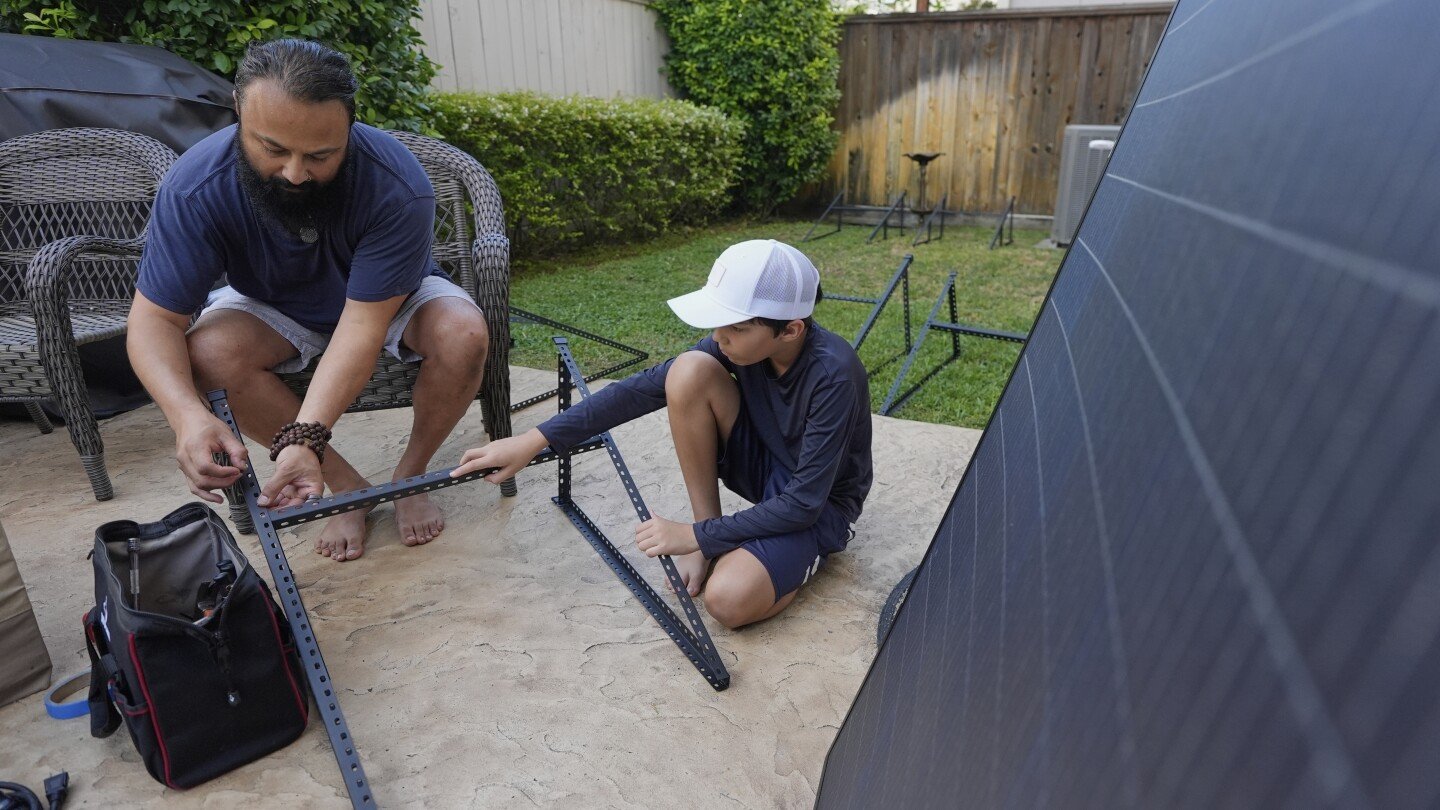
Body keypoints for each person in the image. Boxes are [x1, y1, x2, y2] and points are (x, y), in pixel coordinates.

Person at [127, 39, 489, 562]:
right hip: (271, 300)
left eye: (320, 155)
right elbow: (153, 319)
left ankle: (408, 477)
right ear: (237, 110)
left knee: (465, 333)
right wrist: (186, 415)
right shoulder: (194, 188)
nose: (296, 173)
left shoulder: (397, 183)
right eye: (272, 149)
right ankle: (347, 488)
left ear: (350, 129)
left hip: (388, 301)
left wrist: (305, 435)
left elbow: (361, 327)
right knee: (204, 354)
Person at [453, 240, 872, 629]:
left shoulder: (833, 375)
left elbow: (802, 503)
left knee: (727, 600)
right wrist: (534, 440)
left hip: (817, 505)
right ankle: (712, 536)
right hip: (767, 467)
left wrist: (690, 535)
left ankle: (783, 553)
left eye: (736, 329)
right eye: (717, 323)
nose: (720, 337)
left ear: (791, 330)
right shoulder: (736, 345)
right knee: (687, 370)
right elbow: (640, 390)